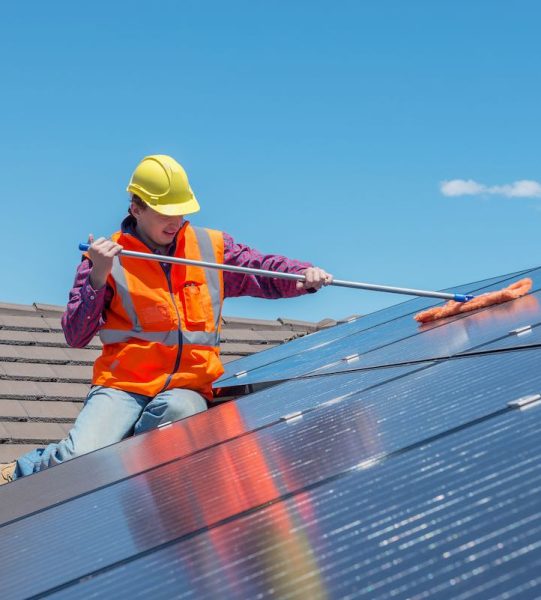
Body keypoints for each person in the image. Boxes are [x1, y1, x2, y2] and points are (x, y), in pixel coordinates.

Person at [0, 154, 332, 484]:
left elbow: (260, 270)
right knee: (80, 459)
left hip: (186, 387)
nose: (175, 222)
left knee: (180, 417)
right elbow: (75, 334)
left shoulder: (210, 248)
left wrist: (301, 275)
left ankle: (125, 455)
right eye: (164, 213)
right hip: (123, 386)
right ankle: (20, 470)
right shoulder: (106, 257)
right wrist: (97, 278)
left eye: (180, 212)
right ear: (137, 208)